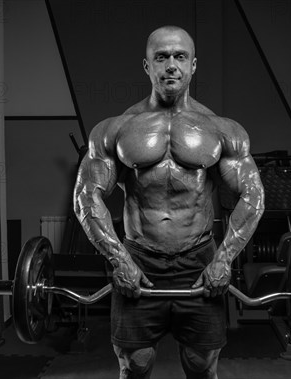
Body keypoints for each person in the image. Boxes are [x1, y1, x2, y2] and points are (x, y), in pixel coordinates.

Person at [74, 25, 265, 379]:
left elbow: (253, 195)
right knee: (135, 365)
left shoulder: (221, 129)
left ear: (194, 65)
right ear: (147, 66)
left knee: (201, 365)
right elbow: (87, 196)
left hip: (199, 260)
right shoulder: (116, 129)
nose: (171, 65)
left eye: (180, 57)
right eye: (161, 57)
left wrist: (224, 259)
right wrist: (119, 260)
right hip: (138, 258)